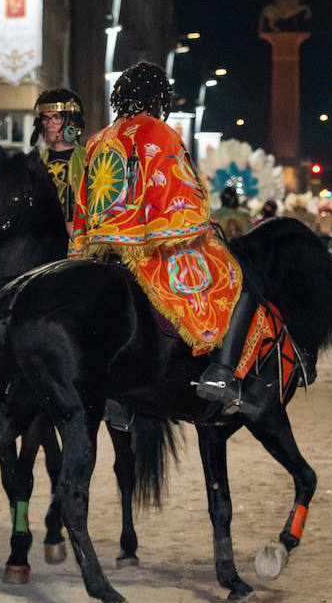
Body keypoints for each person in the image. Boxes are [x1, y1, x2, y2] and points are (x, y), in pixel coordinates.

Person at [71, 61, 261, 415]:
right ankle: (220, 373)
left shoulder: (99, 138)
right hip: (149, 249)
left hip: (104, 251)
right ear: (158, 98)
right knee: (237, 281)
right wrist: (198, 223)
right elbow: (182, 194)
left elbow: (84, 201)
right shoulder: (159, 132)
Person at [29, 87, 86, 228]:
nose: (50, 124)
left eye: (57, 117)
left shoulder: (88, 159)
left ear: (71, 121)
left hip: (79, 241)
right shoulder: (36, 163)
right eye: (45, 118)